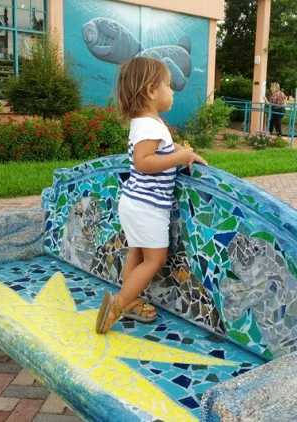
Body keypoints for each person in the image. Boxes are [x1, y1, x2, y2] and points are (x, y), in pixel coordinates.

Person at [96, 56, 208, 334]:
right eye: (168, 85)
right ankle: (119, 304)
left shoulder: (146, 123)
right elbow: (144, 162)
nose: (172, 91)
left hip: (135, 203)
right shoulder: (150, 126)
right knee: (155, 260)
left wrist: (185, 153)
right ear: (150, 91)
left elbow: (163, 149)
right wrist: (179, 157)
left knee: (136, 253)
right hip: (148, 206)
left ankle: (129, 300)